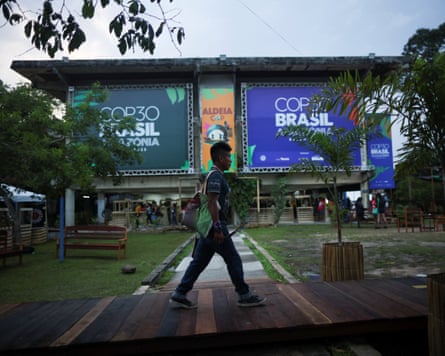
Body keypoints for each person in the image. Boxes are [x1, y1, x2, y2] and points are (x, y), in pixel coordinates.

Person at [170, 141, 266, 309]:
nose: (230, 160)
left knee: (199, 262)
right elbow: (212, 203)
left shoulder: (215, 175)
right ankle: (244, 294)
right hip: (213, 228)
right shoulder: (215, 176)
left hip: (207, 229)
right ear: (220, 158)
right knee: (233, 259)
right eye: (228, 157)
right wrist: (218, 228)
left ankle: (180, 293)